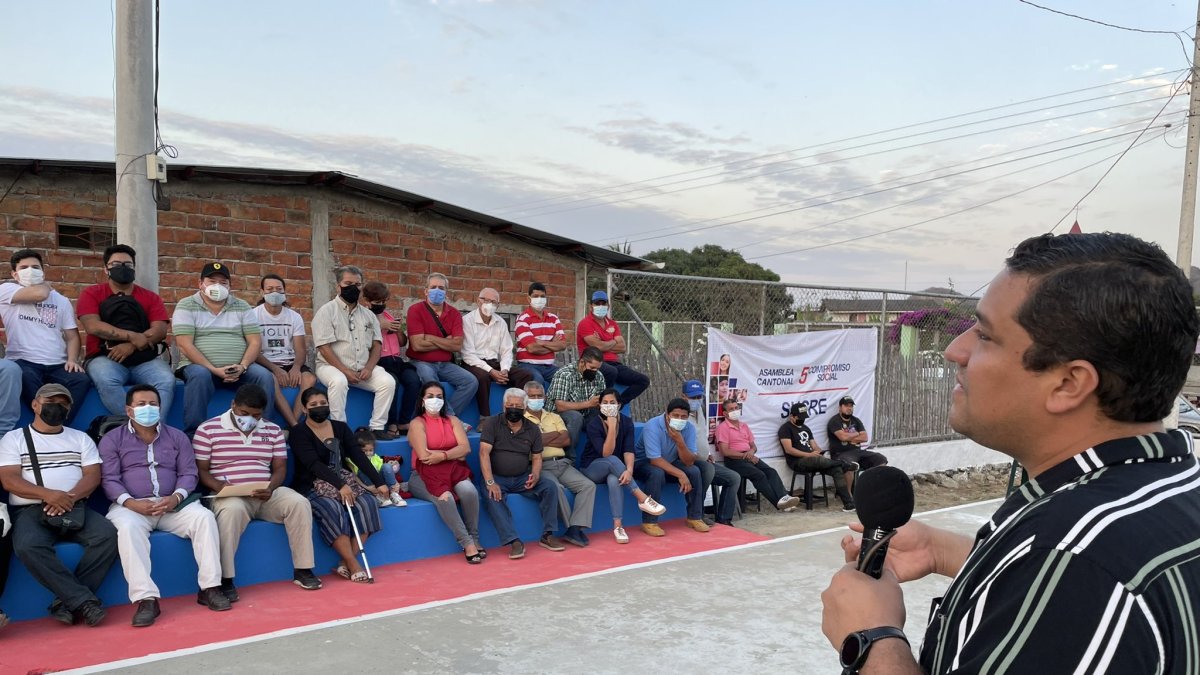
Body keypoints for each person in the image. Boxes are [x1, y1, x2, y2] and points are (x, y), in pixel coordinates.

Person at [822, 232, 1200, 674]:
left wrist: (871, 638)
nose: (955, 350)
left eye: (985, 335)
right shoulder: (1170, 489)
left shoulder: (1075, 560)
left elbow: (1081, 576)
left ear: (1068, 384)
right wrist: (944, 551)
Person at [98, 384, 228, 625]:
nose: (148, 408)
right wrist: (132, 504)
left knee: (204, 518)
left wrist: (176, 498)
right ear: (129, 410)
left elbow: (189, 473)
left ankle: (210, 588)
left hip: (173, 504)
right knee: (127, 529)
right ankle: (146, 599)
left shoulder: (177, 436)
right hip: (132, 507)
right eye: (141, 404)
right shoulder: (112, 439)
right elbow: (109, 479)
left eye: (153, 404)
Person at [0, 384, 117, 627]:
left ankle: (67, 602)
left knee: (107, 535)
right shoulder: (14, 438)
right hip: (31, 509)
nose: (57, 407)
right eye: (50, 402)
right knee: (27, 546)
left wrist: (68, 498)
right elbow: (9, 479)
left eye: (63, 404)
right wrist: (48, 495)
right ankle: (83, 601)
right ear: (35, 405)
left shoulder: (80, 438)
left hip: (76, 505)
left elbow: (93, 475)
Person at [194, 384, 321, 601]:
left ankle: (303, 569)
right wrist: (219, 487)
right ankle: (225, 579)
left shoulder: (272, 430)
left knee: (299, 503)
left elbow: (280, 468)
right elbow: (202, 471)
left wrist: (271, 488)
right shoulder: (208, 429)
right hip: (229, 495)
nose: (250, 419)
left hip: (265, 492)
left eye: (256, 415)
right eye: (244, 413)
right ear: (233, 405)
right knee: (232, 510)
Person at [289, 389, 390, 584]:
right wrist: (339, 485)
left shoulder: (340, 428)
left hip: (344, 480)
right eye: (313, 405)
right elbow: (312, 464)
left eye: (323, 403)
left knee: (368, 503)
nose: (319, 407)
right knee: (332, 508)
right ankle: (354, 564)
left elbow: (358, 456)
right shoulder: (298, 433)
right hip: (313, 483)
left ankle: (345, 561)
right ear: (304, 409)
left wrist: (379, 482)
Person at [173, 262, 276, 436]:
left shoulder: (242, 306)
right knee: (199, 375)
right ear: (200, 284)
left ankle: (264, 431)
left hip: (239, 368)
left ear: (230, 286)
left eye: (223, 282)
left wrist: (243, 366)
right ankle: (194, 434)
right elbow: (184, 343)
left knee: (264, 376)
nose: (218, 286)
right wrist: (213, 369)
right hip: (200, 367)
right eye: (212, 281)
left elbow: (255, 342)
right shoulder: (186, 305)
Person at [78, 244, 175, 418]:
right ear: (106, 269)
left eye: (128, 265)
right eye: (116, 264)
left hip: (144, 359)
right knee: (106, 380)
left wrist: (131, 346)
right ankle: (137, 425)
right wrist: (132, 336)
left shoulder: (150, 297)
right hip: (104, 358)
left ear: (134, 268)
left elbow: (160, 330)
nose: (123, 268)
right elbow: (93, 326)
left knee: (166, 380)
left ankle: (156, 426)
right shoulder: (92, 293)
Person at [0, 249, 91, 423]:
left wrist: (72, 360)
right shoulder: (6, 291)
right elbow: (40, 294)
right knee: (26, 379)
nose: (30, 271)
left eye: (35, 267)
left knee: (81, 380)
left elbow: (72, 336)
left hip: (57, 363)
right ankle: (44, 424)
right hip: (23, 361)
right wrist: (45, 287)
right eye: (24, 267)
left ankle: (60, 424)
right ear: (14, 274)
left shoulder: (61, 300)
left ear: (43, 271)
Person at [311, 265, 396, 440]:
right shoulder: (326, 311)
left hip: (362, 368)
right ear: (338, 286)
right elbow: (324, 347)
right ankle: (339, 429)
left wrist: (370, 368)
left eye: (357, 284)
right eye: (348, 283)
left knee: (387, 382)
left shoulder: (368, 315)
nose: (353, 288)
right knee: (339, 381)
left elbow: (377, 345)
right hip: (330, 367)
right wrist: (344, 370)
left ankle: (377, 427)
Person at [479, 388, 565, 559]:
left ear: (525, 408)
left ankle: (548, 534)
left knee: (549, 486)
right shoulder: (492, 423)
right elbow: (483, 453)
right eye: (510, 405)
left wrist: (536, 475)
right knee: (492, 496)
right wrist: (490, 482)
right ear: (504, 406)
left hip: (521, 477)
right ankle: (513, 541)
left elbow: (537, 457)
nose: (514, 409)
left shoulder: (532, 428)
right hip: (497, 478)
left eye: (518, 406)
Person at [406, 382, 483, 563]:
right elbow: (425, 457)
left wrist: (442, 455)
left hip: (453, 470)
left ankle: (474, 537)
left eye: (439, 397)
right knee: (445, 498)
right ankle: (467, 543)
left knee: (469, 491)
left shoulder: (453, 420)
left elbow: (465, 449)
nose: (435, 400)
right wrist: (453, 453)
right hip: (423, 474)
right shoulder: (417, 423)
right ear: (422, 401)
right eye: (430, 396)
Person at [582, 388, 666, 541]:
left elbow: (628, 450)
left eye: (612, 402)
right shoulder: (593, 424)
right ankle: (642, 498)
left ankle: (618, 526)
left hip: (614, 469)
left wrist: (629, 470)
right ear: (599, 405)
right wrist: (612, 427)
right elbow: (606, 453)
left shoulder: (626, 422)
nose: (608, 405)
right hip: (592, 468)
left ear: (619, 405)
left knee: (615, 479)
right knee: (613, 459)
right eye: (605, 402)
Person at [523, 381, 595, 548]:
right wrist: (553, 435)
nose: (536, 399)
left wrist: (539, 440)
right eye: (532, 396)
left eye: (539, 396)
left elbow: (566, 440)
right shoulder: (522, 420)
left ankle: (575, 527)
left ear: (544, 397)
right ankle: (572, 528)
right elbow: (527, 443)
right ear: (525, 398)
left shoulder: (554, 416)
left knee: (588, 486)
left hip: (562, 463)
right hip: (540, 466)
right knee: (556, 488)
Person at [406, 272, 478, 420]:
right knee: (430, 380)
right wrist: (446, 341)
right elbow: (417, 345)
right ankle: (451, 419)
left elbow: (457, 345)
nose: (437, 291)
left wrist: (430, 337)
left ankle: (445, 417)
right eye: (433, 287)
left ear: (446, 292)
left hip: (445, 364)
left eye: (441, 288)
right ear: (426, 291)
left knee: (471, 382)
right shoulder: (415, 310)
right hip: (421, 362)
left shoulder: (454, 313)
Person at [634, 398, 711, 533]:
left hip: (669, 461)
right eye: (675, 415)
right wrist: (681, 474)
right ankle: (649, 522)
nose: (679, 419)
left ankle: (694, 517)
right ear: (667, 414)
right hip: (643, 463)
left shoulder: (689, 428)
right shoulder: (652, 426)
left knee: (694, 471)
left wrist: (680, 442)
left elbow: (689, 462)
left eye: (683, 417)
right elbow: (655, 460)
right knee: (656, 473)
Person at [252, 274, 317, 427]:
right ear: (262, 292)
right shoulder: (253, 315)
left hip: (289, 361)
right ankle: (295, 426)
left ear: (284, 291)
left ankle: (292, 425)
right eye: (270, 289)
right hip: (266, 363)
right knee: (271, 380)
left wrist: (296, 367)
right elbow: (254, 351)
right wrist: (275, 369)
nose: (275, 292)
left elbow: (300, 349)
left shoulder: (294, 317)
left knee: (310, 379)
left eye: (279, 289)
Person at [715, 399, 801, 511]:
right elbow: (725, 451)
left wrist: (751, 452)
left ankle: (784, 498)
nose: (735, 411)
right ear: (725, 413)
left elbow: (753, 446)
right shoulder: (722, 428)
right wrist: (745, 456)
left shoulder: (744, 426)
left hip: (749, 456)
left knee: (771, 472)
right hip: (734, 460)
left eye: (736, 408)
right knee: (759, 474)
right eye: (731, 409)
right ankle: (779, 503)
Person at [462, 287, 534, 417]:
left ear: (498, 305)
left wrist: (504, 369)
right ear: (478, 301)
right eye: (485, 300)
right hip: (473, 364)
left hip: (494, 364)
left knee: (525, 375)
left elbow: (507, 350)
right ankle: (484, 417)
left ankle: (516, 412)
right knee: (482, 377)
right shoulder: (467, 320)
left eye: (493, 302)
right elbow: (468, 355)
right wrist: (491, 371)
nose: (489, 304)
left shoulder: (500, 322)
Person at [362, 281, 421, 437]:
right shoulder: (363, 317)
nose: (381, 305)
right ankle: (392, 423)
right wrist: (380, 326)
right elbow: (363, 342)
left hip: (396, 360)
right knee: (392, 382)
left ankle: (404, 421)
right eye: (377, 302)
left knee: (414, 380)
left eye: (383, 301)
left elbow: (402, 343)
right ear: (367, 301)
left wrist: (398, 330)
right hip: (378, 361)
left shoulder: (388, 316)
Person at [778, 402, 855, 512]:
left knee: (836, 469)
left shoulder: (806, 428)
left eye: (804, 417)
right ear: (792, 417)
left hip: (815, 460)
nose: (802, 419)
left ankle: (848, 504)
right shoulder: (785, 429)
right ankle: (844, 464)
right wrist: (810, 455)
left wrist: (819, 451)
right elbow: (789, 449)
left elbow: (814, 446)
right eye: (800, 417)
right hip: (797, 461)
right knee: (817, 460)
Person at [683, 379, 741, 525]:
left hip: (703, 459)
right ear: (684, 396)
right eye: (693, 397)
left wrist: (707, 454)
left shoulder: (699, 411)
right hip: (687, 461)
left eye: (699, 397)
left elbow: (701, 435)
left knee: (734, 478)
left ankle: (724, 519)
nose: (696, 400)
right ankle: (697, 514)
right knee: (707, 470)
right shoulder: (679, 415)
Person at [575, 290, 649, 405]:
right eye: (597, 303)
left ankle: (618, 404)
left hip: (614, 363)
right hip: (593, 364)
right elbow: (598, 346)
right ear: (591, 306)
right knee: (611, 372)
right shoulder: (585, 323)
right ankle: (602, 404)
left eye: (603, 303)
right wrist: (613, 341)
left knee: (643, 380)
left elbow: (622, 347)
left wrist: (603, 343)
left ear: (608, 306)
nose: (601, 306)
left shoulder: (612, 324)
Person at [545, 347, 607, 454]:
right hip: (557, 415)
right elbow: (560, 406)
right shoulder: (565, 374)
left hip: (586, 413)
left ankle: (598, 454)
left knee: (609, 415)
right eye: (592, 368)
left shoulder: (598, 376)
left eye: (597, 368)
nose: (595, 372)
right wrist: (589, 403)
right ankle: (569, 456)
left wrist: (602, 403)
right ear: (582, 362)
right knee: (575, 417)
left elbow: (601, 398)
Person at [825, 395, 886, 494]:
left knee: (881, 459)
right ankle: (848, 496)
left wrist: (850, 437)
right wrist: (857, 434)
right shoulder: (834, 421)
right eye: (846, 406)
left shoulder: (856, 420)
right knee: (850, 465)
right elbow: (842, 437)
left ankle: (871, 489)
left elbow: (865, 437)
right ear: (840, 407)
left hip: (857, 452)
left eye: (851, 406)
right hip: (840, 454)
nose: (849, 408)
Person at [514, 282, 568, 388]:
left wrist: (542, 343)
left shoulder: (553, 319)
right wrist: (552, 344)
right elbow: (532, 348)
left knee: (567, 377)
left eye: (542, 296)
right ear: (529, 299)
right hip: (527, 366)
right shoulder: (522, 319)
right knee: (537, 381)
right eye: (536, 296)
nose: (539, 299)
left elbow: (562, 345)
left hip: (549, 367)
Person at [350, 427, 407, 507]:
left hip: (380, 484)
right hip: (367, 486)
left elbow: (384, 471)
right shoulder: (352, 460)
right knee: (362, 469)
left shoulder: (375, 458)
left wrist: (396, 483)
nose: (368, 453)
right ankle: (377, 496)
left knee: (387, 466)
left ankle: (393, 493)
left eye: (371, 450)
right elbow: (354, 477)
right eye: (364, 451)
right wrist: (368, 488)